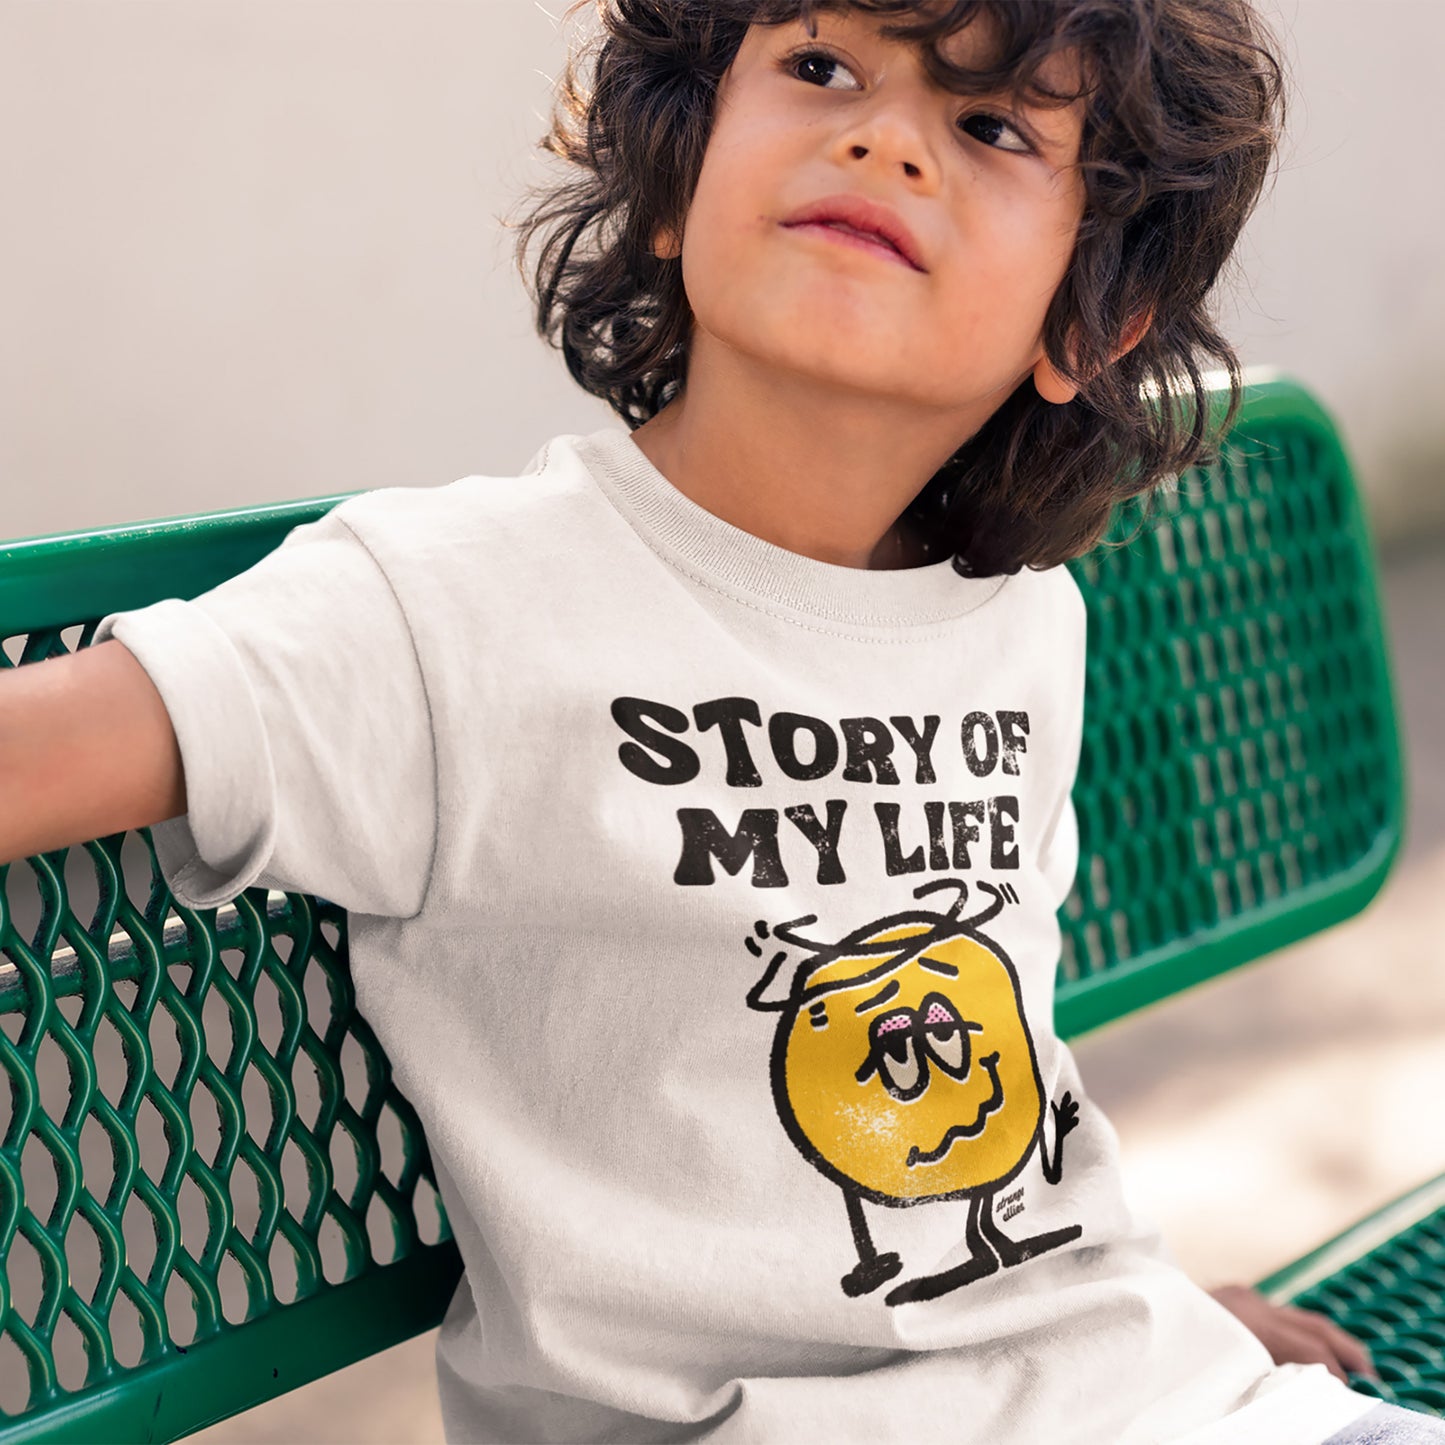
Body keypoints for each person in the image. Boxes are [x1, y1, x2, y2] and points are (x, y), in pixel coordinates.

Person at [4, 1, 1441, 1441]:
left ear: (1089, 322)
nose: (881, 138)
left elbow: (993, 1085)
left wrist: (1119, 1311)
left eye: (992, 125)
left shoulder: (1022, 625)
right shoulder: (446, 610)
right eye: (820, 68)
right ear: (680, 178)